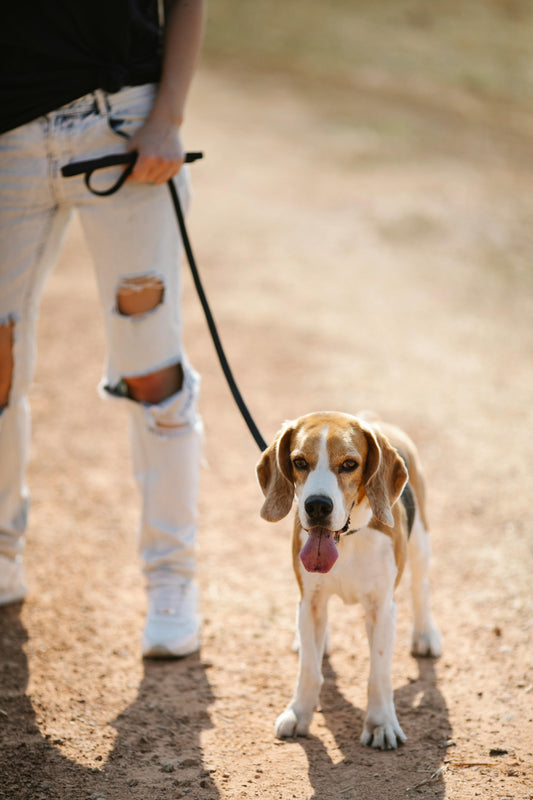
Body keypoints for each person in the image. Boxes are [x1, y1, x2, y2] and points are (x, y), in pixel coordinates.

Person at [0, 0, 206, 658]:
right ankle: (2, 552)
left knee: (152, 367)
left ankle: (171, 581)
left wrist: (168, 115)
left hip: (122, 127)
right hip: (7, 145)